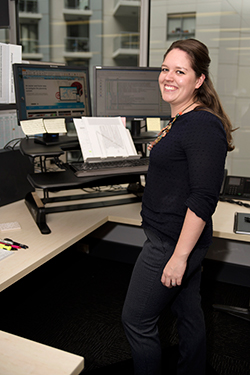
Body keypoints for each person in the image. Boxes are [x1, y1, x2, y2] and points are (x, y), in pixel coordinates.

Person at [122, 38, 235, 375]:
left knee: (137, 320)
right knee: (188, 313)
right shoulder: (182, 118)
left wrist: (178, 258)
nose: (168, 77)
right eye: (165, 69)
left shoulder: (201, 125)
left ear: (199, 79)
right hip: (180, 238)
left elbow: (203, 198)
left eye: (180, 71)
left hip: (171, 243)